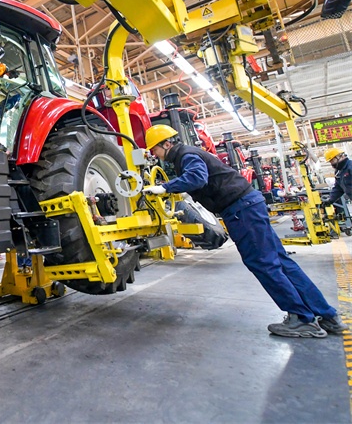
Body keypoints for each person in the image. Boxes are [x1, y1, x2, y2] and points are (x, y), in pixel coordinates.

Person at [143, 124, 347, 338]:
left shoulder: (185, 155)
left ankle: (301, 318)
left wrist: (164, 187)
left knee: (262, 262)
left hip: (241, 210)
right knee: (280, 260)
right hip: (249, 205)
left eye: (154, 150)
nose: (154, 155)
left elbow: (196, 178)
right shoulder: (189, 154)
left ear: (166, 144)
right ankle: (326, 315)